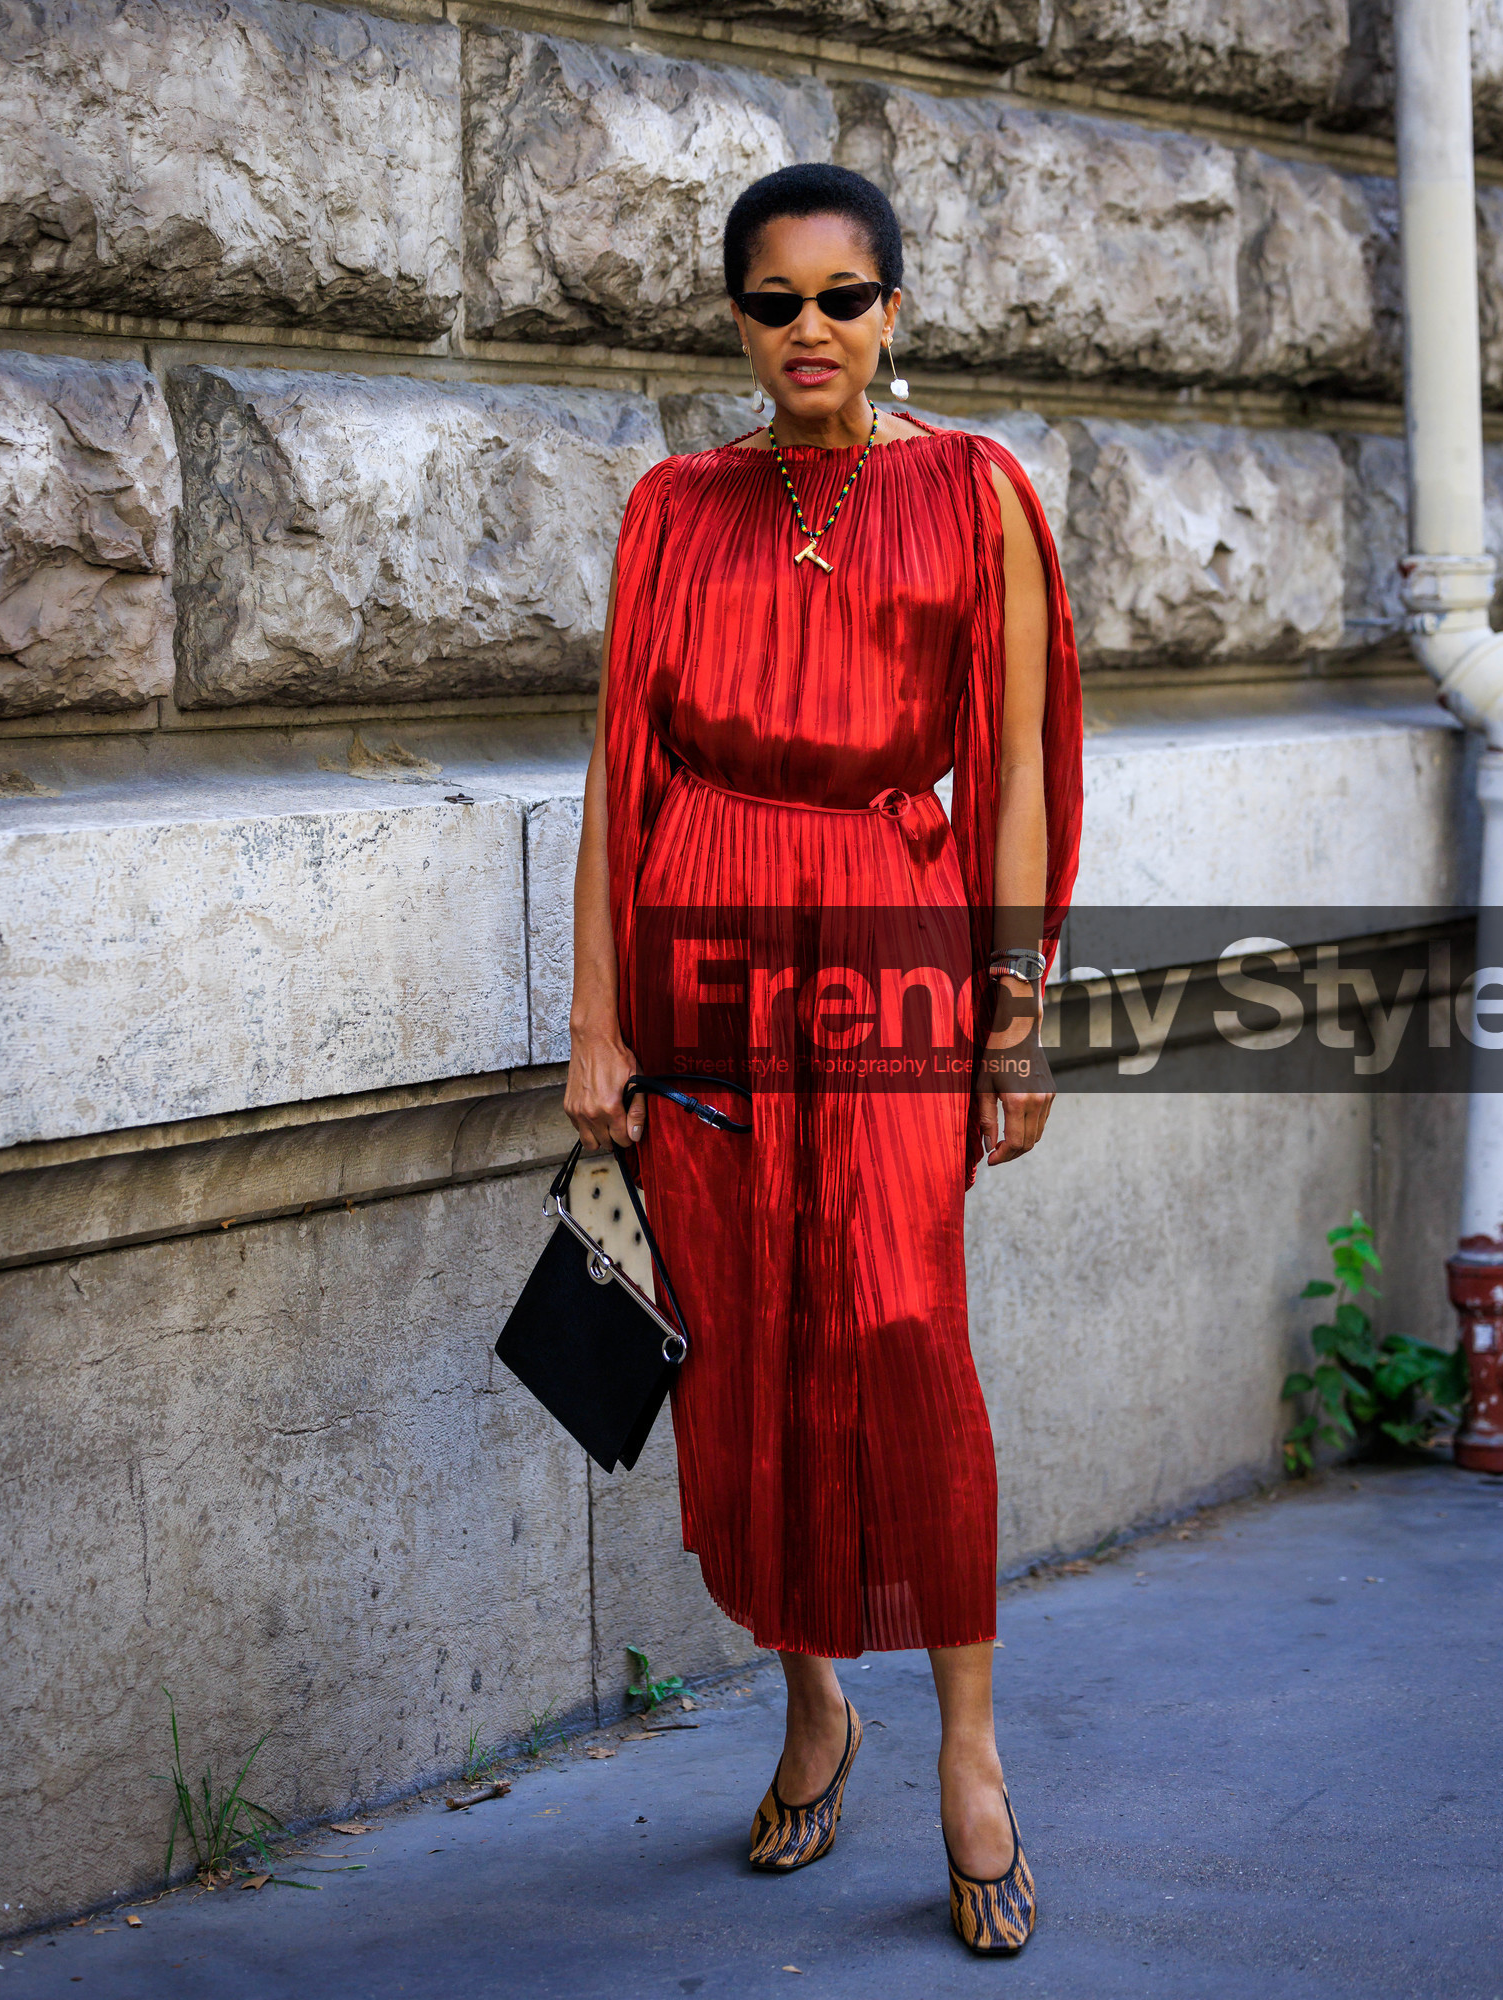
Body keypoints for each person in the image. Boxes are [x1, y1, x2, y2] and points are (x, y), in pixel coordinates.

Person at [564, 161, 1082, 1955]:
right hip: (704, 937)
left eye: (842, 298)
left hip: (888, 934)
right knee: (738, 1338)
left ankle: (970, 1751)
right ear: (735, 319)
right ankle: (810, 1703)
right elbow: (615, 780)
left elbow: (1008, 770)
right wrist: (597, 1025)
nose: (810, 331)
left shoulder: (976, 493)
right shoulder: (672, 508)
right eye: (774, 301)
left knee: (902, 1328)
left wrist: (1018, 1021)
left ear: (893, 309)